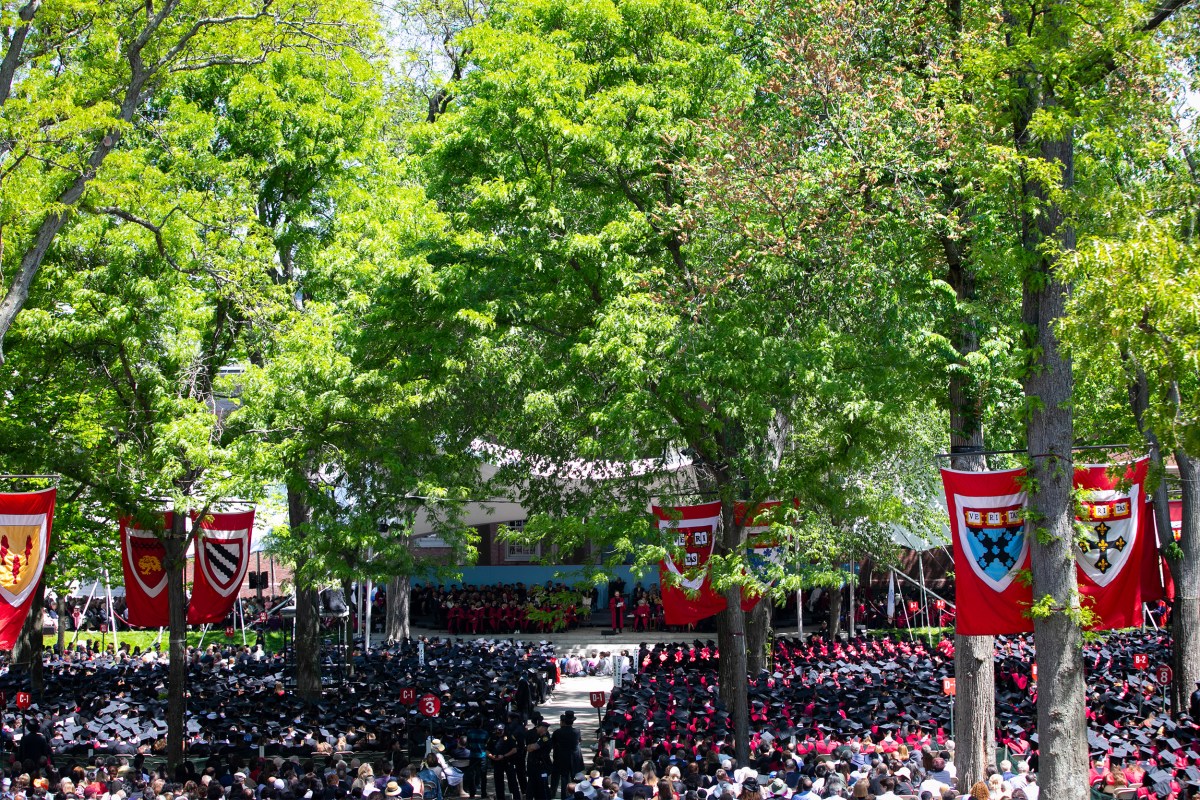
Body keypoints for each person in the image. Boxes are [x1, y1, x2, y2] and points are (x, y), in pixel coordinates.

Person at [551, 712, 582, 800]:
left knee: (563, 778)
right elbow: (579, 741)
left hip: (561, 758)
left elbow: (552, 744)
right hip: (573, 759)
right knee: (574, 779)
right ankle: (574, 796)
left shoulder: (557, 732)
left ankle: (563, 797)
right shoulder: (577, 731)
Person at [488, 723, 523, 800]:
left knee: (512, 781)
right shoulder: (493, 737)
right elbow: (487, 749)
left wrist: (504, 756)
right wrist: (491, 756)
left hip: (508, 762)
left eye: (500, 730)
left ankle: (516, 798)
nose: (498, 731)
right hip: (497, 762)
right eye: (497, 730)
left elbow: (514, 750)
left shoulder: (509, 737)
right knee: (498, 783)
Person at [527, 719, 553, 800]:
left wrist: (531, 746)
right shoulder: (539, 737)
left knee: (543, 786)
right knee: (533, 784)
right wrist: (530, 746)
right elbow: (528, 748)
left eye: (538, 728)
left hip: (542, 766)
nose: (536, 729)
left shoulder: (545, 738)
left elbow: (533, 747)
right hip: (535, 765)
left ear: (542, 728)